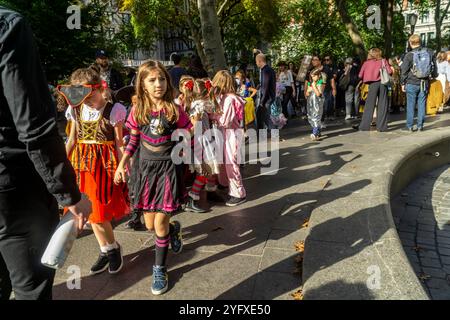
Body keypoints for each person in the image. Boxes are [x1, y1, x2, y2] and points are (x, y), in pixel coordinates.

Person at [0, 7, 91, 300]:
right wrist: (69, 195)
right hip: (14, 187)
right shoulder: (7, 24)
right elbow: (33, 124)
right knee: (30, 288)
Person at [114, 60, 190, 295]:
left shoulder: (175, 109)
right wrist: (121, 165)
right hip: (146, 171)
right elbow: (133, 141)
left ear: (167, 82)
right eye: (152, 80)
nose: (158, 84)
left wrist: (198, 159)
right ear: (143, 85)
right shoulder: (137, 110)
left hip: (169, 170)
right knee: (150, 224)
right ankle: (173, 229)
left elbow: (187, 136)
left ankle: (159, 268)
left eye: (162, 79)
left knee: (159, 223)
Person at [62, 67, 130, 275]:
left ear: (100, 88)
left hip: (103, 165)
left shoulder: (114, 109)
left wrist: (122, 166)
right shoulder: (75, 110)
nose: (87, 102)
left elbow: (119, 143)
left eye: (90, 96)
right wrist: (61, 166)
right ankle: (106, 249)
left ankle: (113, 250)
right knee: (86, 214)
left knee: (98, 213)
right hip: (80, 164)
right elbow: (72, 139)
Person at [180, 77, 221, 212]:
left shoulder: (198, 104)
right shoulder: (199, 105)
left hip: (205, 139)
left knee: (209, 168)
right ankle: (193, 196)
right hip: (201, 141)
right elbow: (195, 125)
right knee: (204, 170)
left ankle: (210, 190)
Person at [210, 70, 247, 207]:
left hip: (231, 133)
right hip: (228, 133)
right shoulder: (228, 97)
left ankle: (238, 193)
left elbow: (225, 120)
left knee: (231, 162)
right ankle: (226, 184)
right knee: (226, 161)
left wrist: (212, 116)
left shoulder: (229, 99)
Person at [400, 34, 438, 132]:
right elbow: (434, 68)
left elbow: (404, 71)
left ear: (410, 43)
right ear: (420, 41)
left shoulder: (409, 55)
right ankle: (420, 126)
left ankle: (410, 126)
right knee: (422, 104)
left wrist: (402, 83)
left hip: (411, 82)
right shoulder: (429, 52)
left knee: (410, 105)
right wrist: (433, 76)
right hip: (424, 82)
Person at [358, 48, 393, 132]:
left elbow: (360, 75)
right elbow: (390, 72)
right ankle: (381, 127)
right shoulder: (383, 61)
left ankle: (364, 126)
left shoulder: (366, 63)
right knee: (383, 105)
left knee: (369, 105)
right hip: (383, 83)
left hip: (372, 85)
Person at [255, 53, 276, 132]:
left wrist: (262, 101)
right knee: (260, 115)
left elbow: (266, 86)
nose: (256, 64)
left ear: (260, 61)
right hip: (269, 97)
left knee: (265, 117)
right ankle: (260, 134)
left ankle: (274, 134)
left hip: (267, 98)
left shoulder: (265, 71)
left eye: (256, 62)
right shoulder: (269, 70)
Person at [305, 68, 325, 141]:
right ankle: (318, 131)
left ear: (318, 75)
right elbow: (307, 92)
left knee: (316, 117)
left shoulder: (321, 82)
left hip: (318, 103)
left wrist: (313, 86)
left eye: (314, 76)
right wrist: (308, 90)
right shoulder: (311, 82)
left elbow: (318, 93)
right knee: (310, 117)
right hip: (311, 103)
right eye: (312, 76)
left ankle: (315, 133)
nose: (313, 78)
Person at [322, 55, 338, 121]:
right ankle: (324, 115)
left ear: (331, 60)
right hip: (322, 87)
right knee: (324, 102)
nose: (326, 61)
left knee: (330, 101)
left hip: (330, 86)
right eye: (325, 60)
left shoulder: (333, 67)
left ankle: (330, 115)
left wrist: (334, 88)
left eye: (328, 59)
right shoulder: (322, 68)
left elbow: (334, 77)